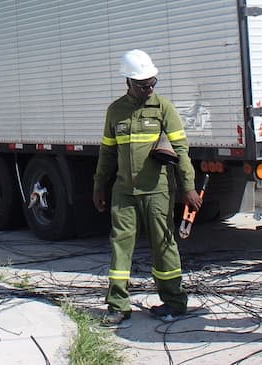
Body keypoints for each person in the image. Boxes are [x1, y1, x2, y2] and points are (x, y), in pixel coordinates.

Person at [92, 49, 202, 327]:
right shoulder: (115, 111)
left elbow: (181, 149)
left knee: (164, 245)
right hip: (124, 192)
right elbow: (107, 153)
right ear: (128, 81)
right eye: (144, 85)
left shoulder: (163, 108)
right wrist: (99, 186)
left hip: (157, 191)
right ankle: (118, 305)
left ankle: (174, 302)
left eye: (153, 83)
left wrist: (188, 187)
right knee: (120, 246)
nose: (149, 89)